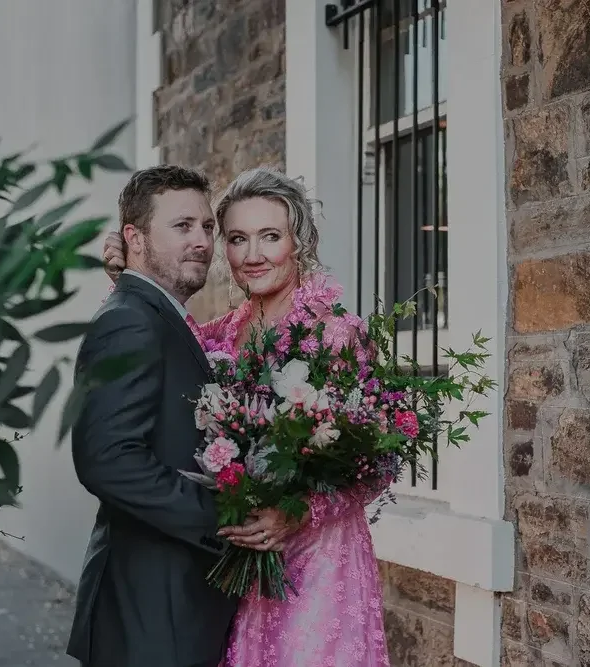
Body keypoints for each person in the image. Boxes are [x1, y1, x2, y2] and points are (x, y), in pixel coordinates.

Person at [101, 167, 391, 666]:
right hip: (243, 567)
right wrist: (129, 279)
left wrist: (296, 512)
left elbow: (378, 464)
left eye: (269, 237)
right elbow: (152, 344)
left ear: (299, 241)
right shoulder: (216, 335)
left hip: (320, 565)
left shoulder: (339, 335)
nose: (252, 255)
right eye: (237, 239)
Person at [68, 165, 294, 667]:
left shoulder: (163, 316)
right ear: (135, 238)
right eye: (181, 226)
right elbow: (107, 460)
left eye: (207, 228)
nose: (201, 241)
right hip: (152, 612)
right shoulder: (130, 320)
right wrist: (228, 518)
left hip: (174, 609)